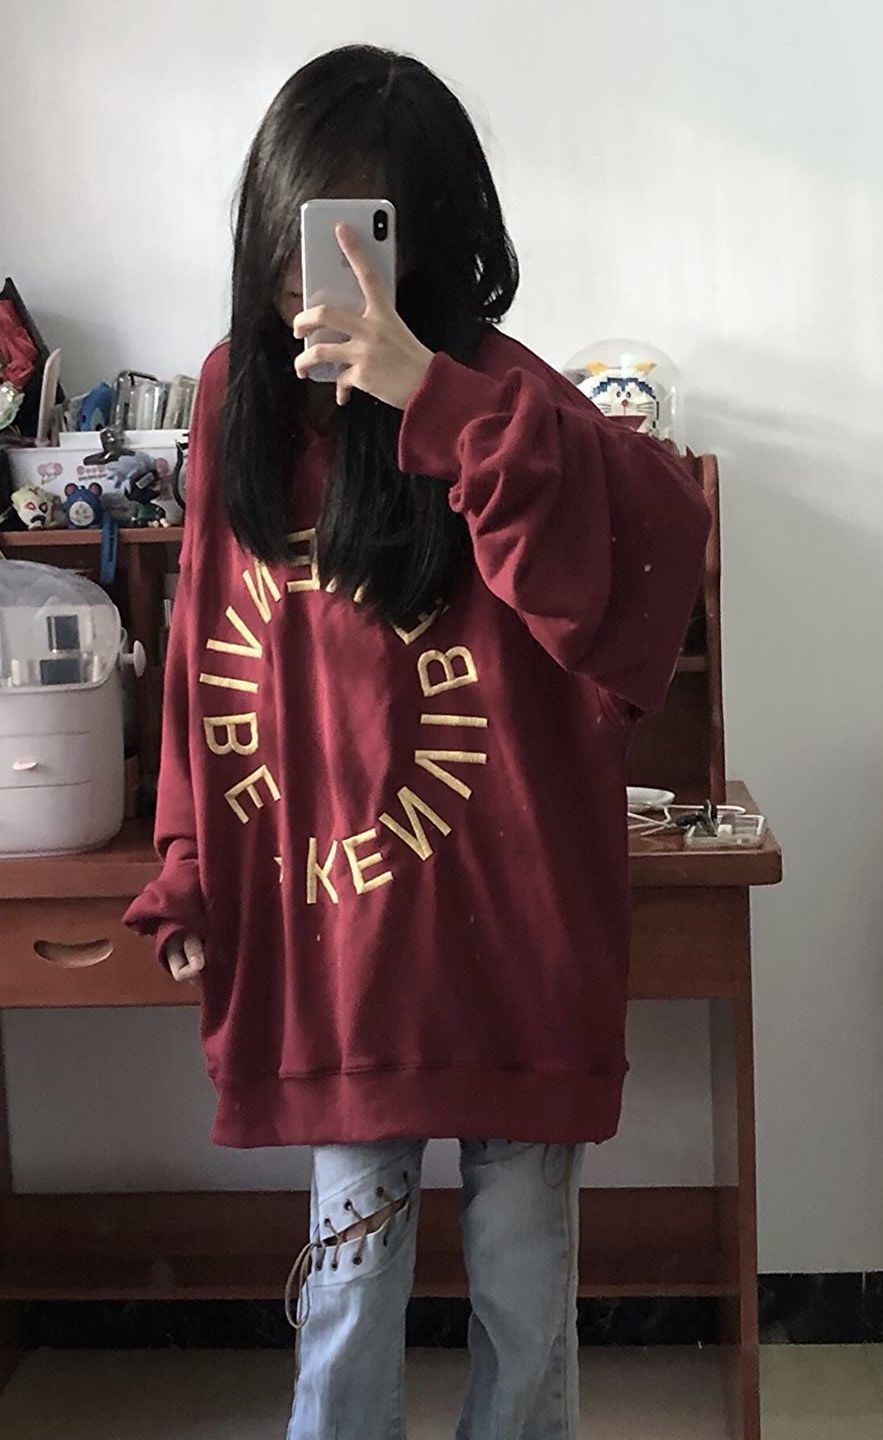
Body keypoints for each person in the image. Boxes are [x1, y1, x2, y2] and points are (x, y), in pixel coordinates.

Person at [125, 44, 710, 1440]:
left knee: (525, 1299)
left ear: (434, 238)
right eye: (303, 232)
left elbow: (643, 567)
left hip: (516, 941)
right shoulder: (239, 401)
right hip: (347, 950)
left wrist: (430, 395)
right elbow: (207, 656)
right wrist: (189, 859)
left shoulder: (509, 401)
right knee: (348, 1302)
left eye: (365, 233)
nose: (322, 275)